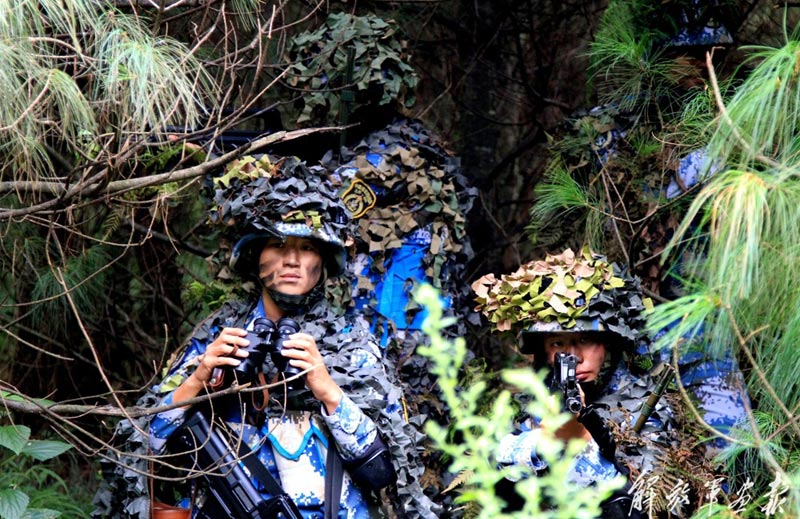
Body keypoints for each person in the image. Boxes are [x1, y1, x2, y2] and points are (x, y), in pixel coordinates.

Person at [93, 156, 438, 519]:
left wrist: (329, 392)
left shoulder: (352, 343)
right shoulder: (218, 336)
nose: (292, 260)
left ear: (324, 262)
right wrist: (196, 381)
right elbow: (138, 448)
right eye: (278, 245)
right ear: (256, 256)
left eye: (306, 247)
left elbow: (384, 473)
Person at [473, 248, 717, 518]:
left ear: (609, 344)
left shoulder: (645, 402)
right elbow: (489, 465)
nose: (574, 357)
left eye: (585, 340)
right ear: (544, 353)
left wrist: (581, 442)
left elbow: (650, 496)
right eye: (558, 343)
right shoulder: (536, 400)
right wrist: (544, 442)